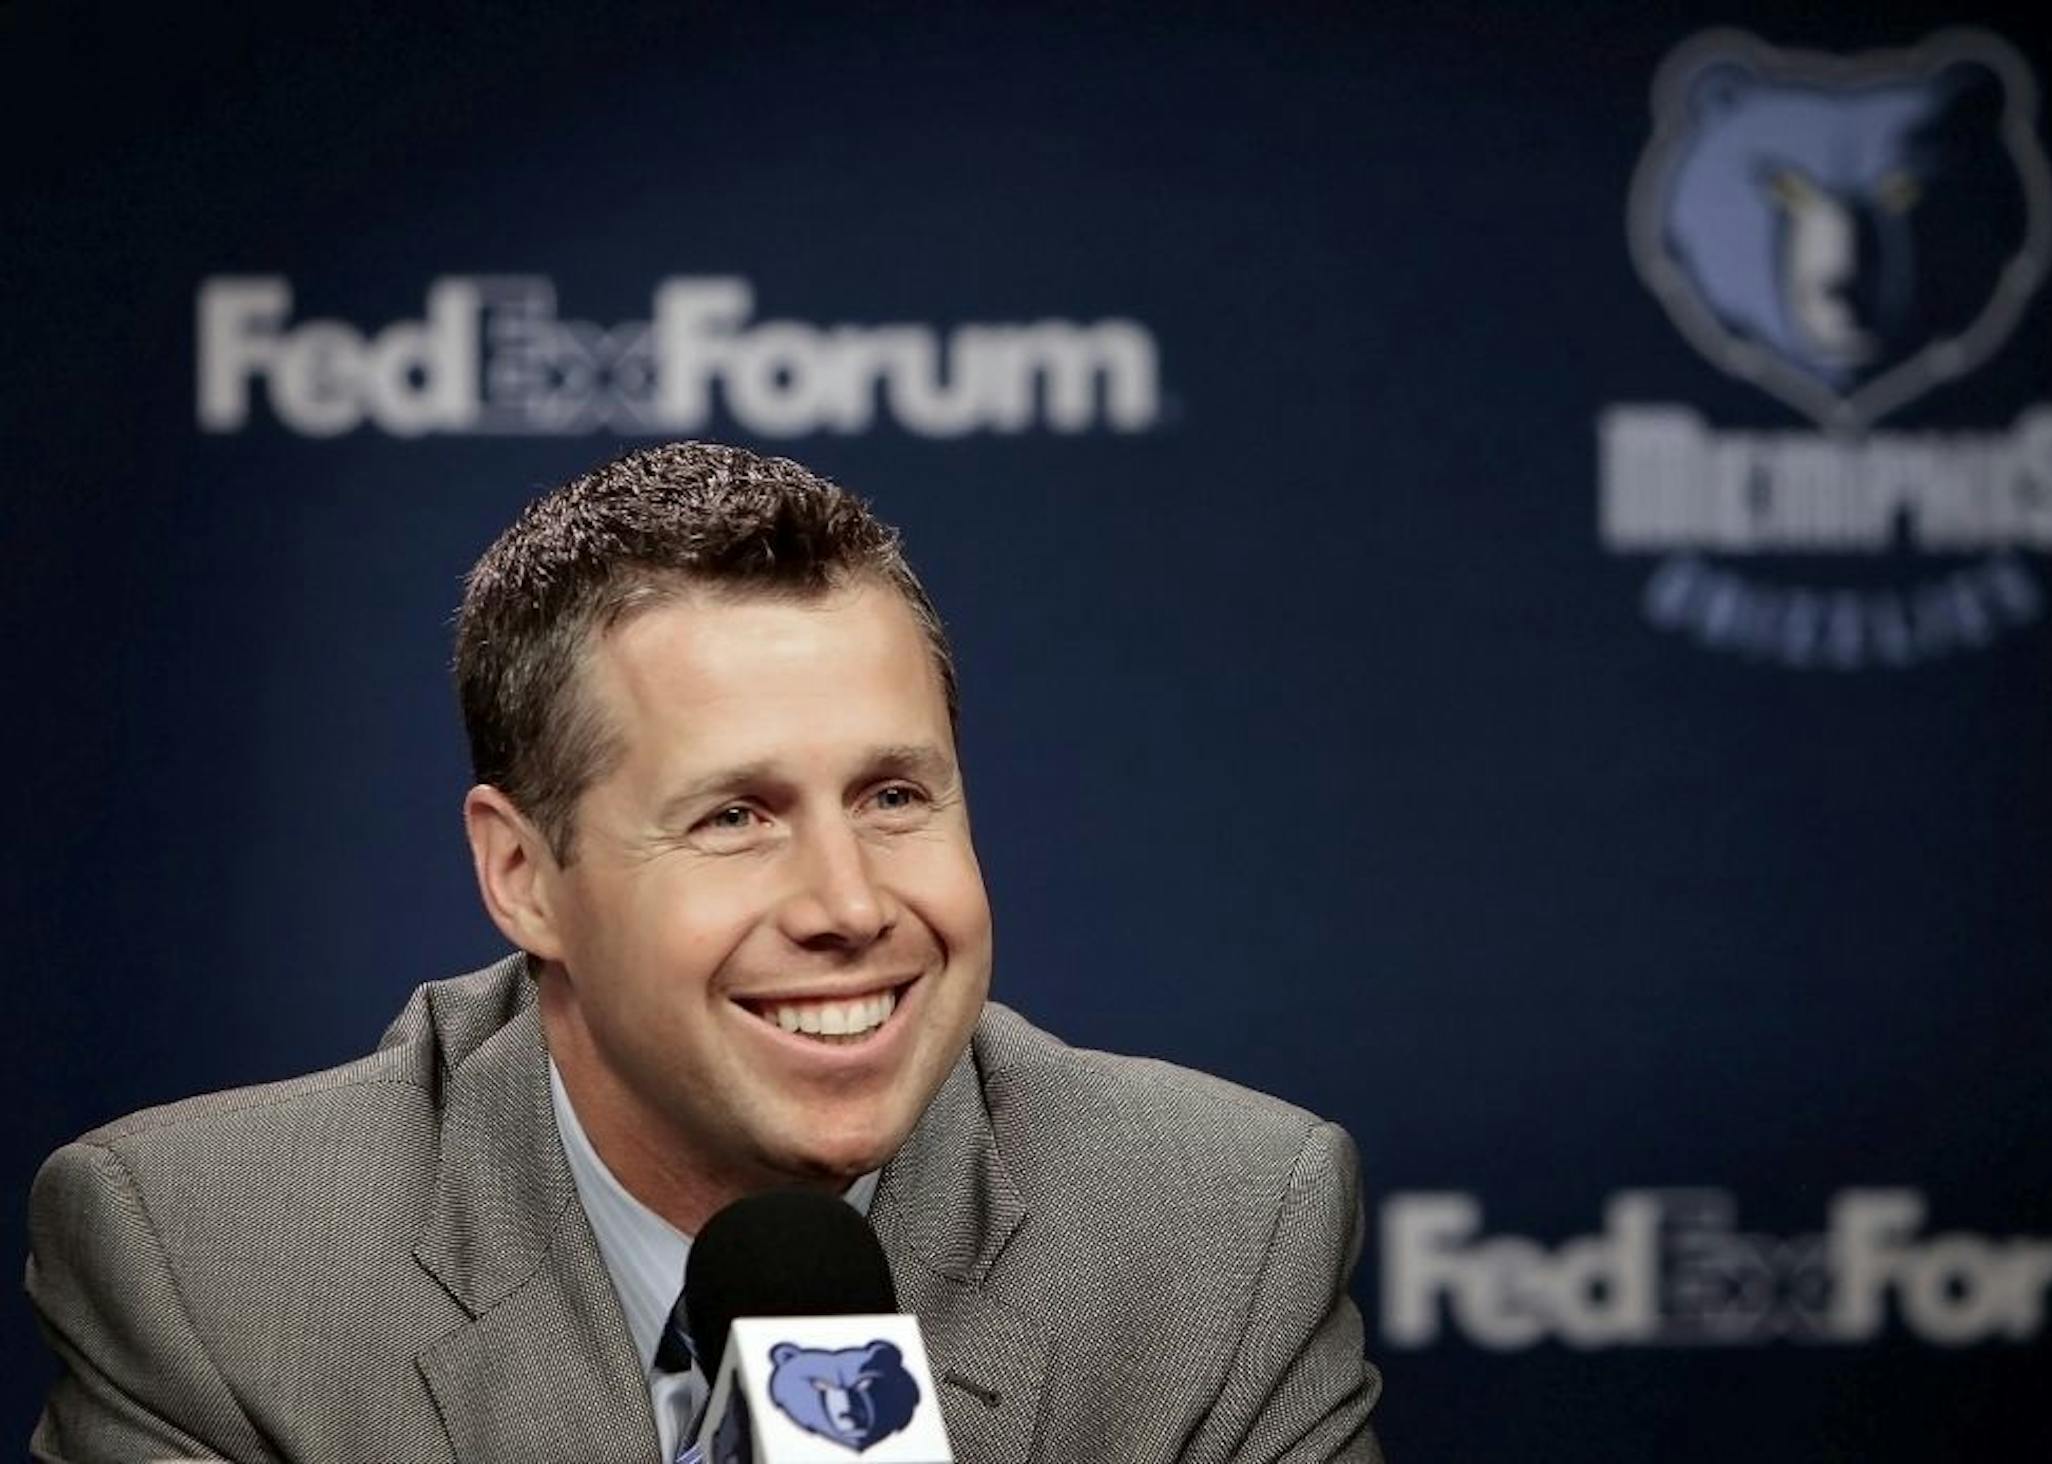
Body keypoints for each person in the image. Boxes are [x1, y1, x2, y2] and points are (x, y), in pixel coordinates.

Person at [26, 442, 1383, 1462]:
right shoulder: (210, 1269)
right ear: (523, 876)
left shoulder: (1222, 1237)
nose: (849, 904)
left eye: (894, 796)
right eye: (736, 816)